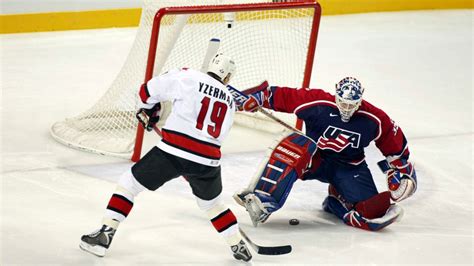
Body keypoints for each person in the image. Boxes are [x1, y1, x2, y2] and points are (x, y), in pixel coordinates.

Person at [79, 53, 253, 261]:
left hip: (172, 152)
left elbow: (146, 91)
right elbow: (215, 136)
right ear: (228, 78)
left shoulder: (188, 77)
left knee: (129, 183)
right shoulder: (230, 101)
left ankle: (105, 235)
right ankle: (237, 244)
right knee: (212, 205)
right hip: (207, 161)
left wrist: (149, 109)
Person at [234, 77, 417, 231]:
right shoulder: (318, 102)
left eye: (351, 104)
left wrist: (401, 170)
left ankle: (337, 200)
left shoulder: (373, 118)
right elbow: (279, 95)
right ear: (336, 94)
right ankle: (263, 198)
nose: (346, 108)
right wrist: (257, 97)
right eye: (343, 103)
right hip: (314, 160)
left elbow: (393, 142)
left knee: (371, 212)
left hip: (349, 167)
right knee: (296, 144)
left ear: (360, 100)